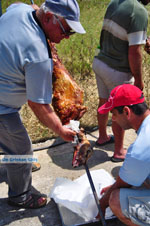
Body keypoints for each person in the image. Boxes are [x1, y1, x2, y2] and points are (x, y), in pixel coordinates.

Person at [0, 0, 85, 209]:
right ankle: (20, 195)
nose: (66, 37)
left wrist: (36, 8)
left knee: (10, 144)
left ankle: (15, 165)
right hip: (2, 108)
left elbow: (20, 5)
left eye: (71, 33)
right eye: (66, 30)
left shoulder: (19, 11)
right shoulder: (38, 55)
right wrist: (60, 129)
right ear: (48, 18)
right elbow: (39, 105)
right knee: (21, 149)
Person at [92, 0, 150, 162]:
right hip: (117, 70)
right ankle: (118, 151)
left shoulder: (114, 3)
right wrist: (138, 80)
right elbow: (134, 52)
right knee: (120, 109)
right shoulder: (139, 11)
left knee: (104, 101)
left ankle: (102, 136)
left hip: (100, 62)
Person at [98, 84, 150, 226]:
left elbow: (121, 185)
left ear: (127, 112)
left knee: (116, 200)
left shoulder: (140, 148)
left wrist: (102, 204)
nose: (113, 119)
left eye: (114, 114)